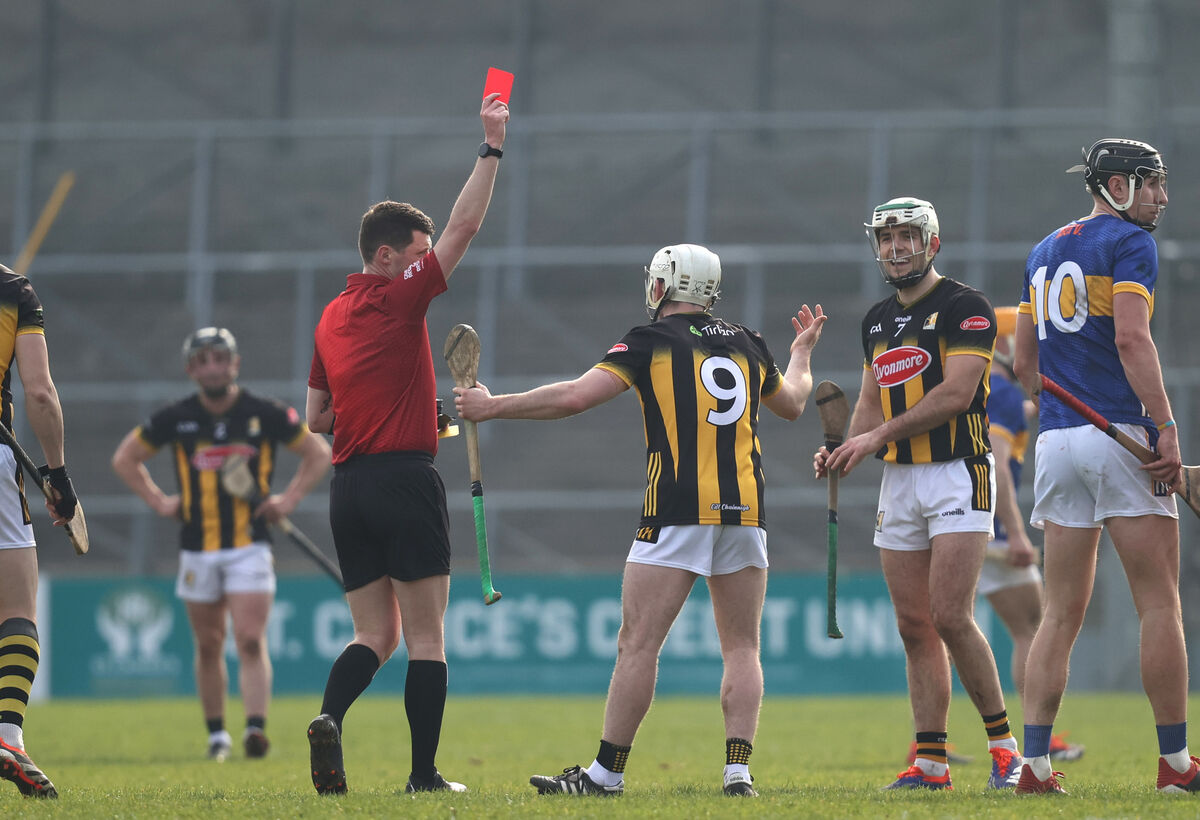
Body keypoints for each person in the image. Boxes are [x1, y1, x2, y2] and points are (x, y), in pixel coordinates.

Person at [456, 243, 826, 798]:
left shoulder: (649, 339)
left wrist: (493, 406)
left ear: (665, 285)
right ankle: (738, 773)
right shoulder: (749, 341)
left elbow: (575, 397)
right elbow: (794, 402)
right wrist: (801, 354)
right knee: (742, 647)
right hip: (747, 511)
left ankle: (605, 775)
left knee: (639, 644)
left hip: (676, 509)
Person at [302, 89, 509, 796]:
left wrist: (412, 411)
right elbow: (465, 226)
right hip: (405, 481)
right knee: (425, 638)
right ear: (387, 256)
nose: (428, 262)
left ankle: (329, 717)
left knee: (374, 635)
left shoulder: (330, 317)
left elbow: (317, 417)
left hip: (349, 487)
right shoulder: (399, 297)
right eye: (418, 254)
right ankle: (424, 776)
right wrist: (491, 145)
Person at [816, 197, 1021, 791]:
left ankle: (1005, 752)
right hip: (900, 480)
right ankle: (931, 764)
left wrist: (876, 436)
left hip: (958, 471)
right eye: (885, 238)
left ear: (932, 243)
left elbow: (957, 394)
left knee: (951, 615)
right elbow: (869, 401)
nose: (895, 247)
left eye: (907, 236)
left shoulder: (965, 306)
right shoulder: (876, 320)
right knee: (914, 625)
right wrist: (843, 450)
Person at [1012, 138, 1194, 795]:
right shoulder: (1130, 243)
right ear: (1117, 186)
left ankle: (1034, 769)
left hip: (1057, 443)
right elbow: (1130, 337)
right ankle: (1176, 766)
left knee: (1059, 613)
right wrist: (1166, 427)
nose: (1162, 197)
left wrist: (1061, 408)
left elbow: (1025, 365)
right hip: (1119, 434)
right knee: (1159, 603)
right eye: (1151, 183)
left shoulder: (1042, 251)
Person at [112, 327, 331, 762]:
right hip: (198, 547)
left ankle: (255, 729)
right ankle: (217, 736)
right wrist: (159, 502)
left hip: (250, 544)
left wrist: (287, 500)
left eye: (220, 358)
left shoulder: (264, 413)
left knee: (249, 639)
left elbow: (318, 452)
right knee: (210, 644)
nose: (212, 367)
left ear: (235, 364)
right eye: (203, 361)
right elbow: (126, 458)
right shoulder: (176, 417)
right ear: (191, 369)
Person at [0, 263, 76, 799]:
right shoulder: (13, 290)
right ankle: (7, 734)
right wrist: (57, 476)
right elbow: (41, 392)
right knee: (16, 609)